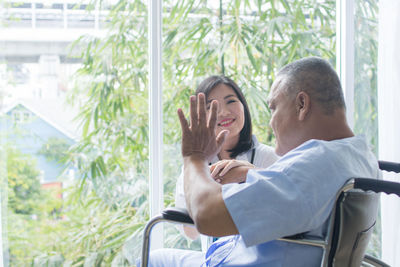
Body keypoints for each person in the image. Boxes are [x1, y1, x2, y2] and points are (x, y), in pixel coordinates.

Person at [140, 57, 380, 266]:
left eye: (274, 107)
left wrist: (194, 156)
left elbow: (206, 216)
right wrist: (253, 175)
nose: (270, 122)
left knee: (150, 259)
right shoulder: (358, 155)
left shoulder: (316, 164)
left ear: (302, 104)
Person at [174, 75, 278, 246]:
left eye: (231, 101)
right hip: (215, 256)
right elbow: (190, 230)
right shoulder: (196, 164)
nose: (223, 112)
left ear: (244, 106)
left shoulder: (268, 158)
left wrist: (249, 175)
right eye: (211, 107)